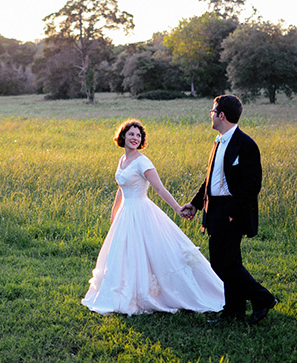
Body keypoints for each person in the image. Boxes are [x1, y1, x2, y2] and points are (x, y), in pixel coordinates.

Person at [81, 119, 224, 316]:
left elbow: (159, 188)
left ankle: (159, 293)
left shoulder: (143, 162)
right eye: (131, 134)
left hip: (141, 212)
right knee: (124, 255)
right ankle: (123, 291)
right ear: (123, 136)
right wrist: (114, 213)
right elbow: (121, 188)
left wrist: (177, 209)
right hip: (125, 214)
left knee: (152, 252)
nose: (134, 138)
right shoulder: (122, 161)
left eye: (138, 136)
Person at [181, 95, 277, 325]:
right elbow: (210, 180)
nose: (210, 115)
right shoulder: (218, 141)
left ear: (221, 115)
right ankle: (233, 310)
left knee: (224, 263)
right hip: (213, 207)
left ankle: (262, 298)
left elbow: (252, 184)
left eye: (212, 111)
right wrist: (195, 204)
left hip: (231, 210)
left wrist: (232, 212)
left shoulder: (246, 144)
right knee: (226, 261)